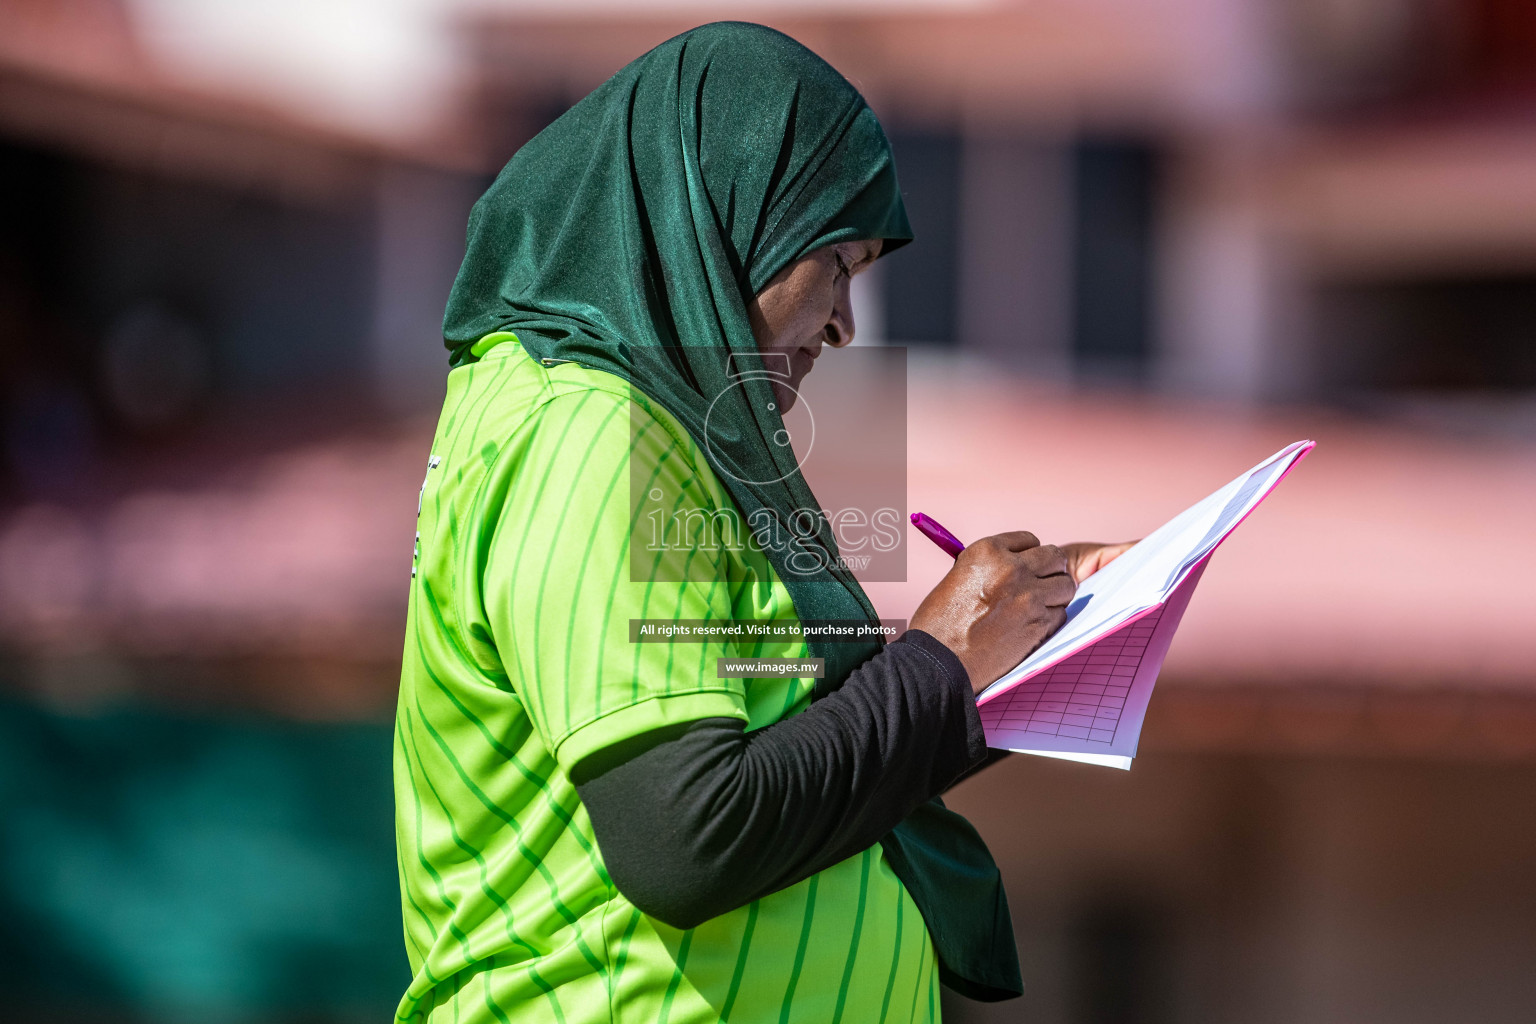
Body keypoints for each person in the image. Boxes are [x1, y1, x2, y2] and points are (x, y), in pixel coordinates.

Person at [394, 22, 1129, 1024]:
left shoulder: (652, 432)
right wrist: (939, 663)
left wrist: (1030, 648)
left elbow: (799, 754)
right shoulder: (593, 432)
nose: (843, 324)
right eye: (834, 262)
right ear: (720, 216)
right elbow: (684, 838)